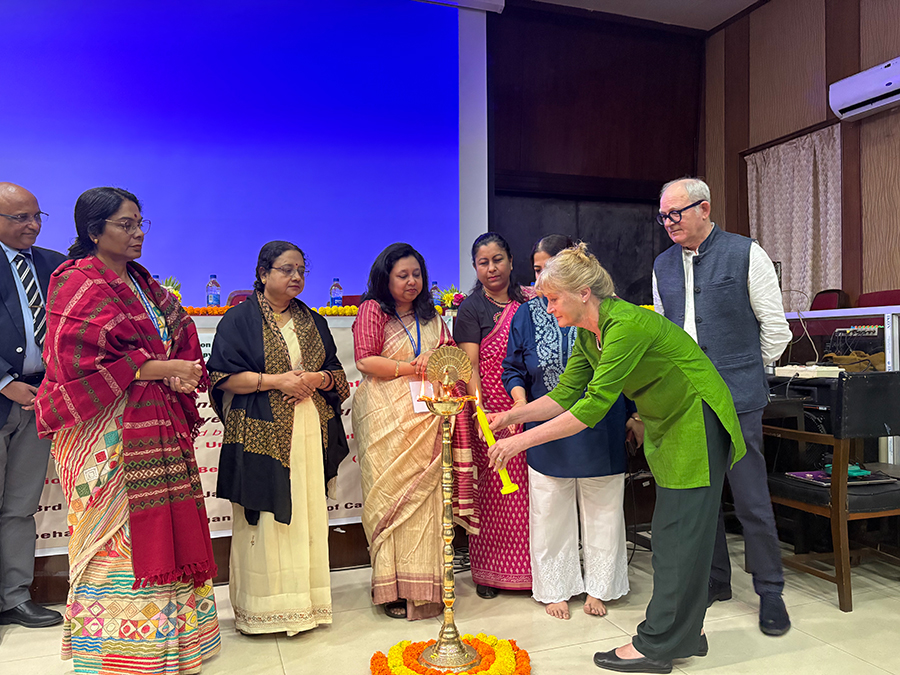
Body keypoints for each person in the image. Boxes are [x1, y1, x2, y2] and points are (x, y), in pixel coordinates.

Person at [486, 244, 746, 674]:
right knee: (678, 537)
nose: (548, 309)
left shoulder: (624, 326)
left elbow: (591, 407)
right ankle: (687, 632)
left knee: (676, 539)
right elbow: (566, 393)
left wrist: (520, 442)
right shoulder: (591, 333)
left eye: (554, 299)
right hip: (672, 424)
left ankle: (657, 645)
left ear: (583, 293)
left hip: (696, 421)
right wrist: (512, 416)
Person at [34, 187, 220, 673]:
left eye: (140, 223)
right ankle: (116, 653)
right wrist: (162, 368)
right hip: (103, 431)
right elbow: (78, 362)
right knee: (116, 539)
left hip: (155, 419)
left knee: (161, 531)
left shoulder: (145, 284)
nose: (138, 233)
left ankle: (173, 647)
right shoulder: (75, 283)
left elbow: (178, 337)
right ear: (94, 231)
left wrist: (176, 370)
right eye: (126, 224)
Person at [652, 177, 792, 636]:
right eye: (664, 215)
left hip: (739, 399)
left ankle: (770, 589)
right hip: (688, 400)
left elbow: (776, 331)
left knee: (751, 497)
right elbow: (666, 333)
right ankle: (716, 580)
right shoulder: (663, 265)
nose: (669, 222)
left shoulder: (745, 252)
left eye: (676, 213)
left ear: (704, 208)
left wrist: (744, 370)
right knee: (702, 497)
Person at [209, 241, 350, 635]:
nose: (296, 277)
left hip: (307, 431)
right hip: (260, 434)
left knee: (306, 511)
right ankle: (262, 611)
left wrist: (317, 378)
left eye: (301, 270)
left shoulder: (314, 321)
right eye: (287, 269)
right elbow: (221, 377)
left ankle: (308, 605)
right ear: (263, 273)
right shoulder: (239, 320)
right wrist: (276, 381)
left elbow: (337, 375)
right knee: (265, 520)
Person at [502, 234, 635, 620]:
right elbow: (521, 371)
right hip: (546, 423)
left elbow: (622, 375)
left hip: (601, 421)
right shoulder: (529, 314)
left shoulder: (608, 313)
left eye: (551, 270)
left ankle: (600, 587)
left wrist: (635, 415)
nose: (543, 281)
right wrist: (517, 410)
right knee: (549, 511)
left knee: (603, 509)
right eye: (537, 270)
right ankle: (556, 588)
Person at [352, 243, 478, 620]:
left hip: (430, 418)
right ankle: (392, 589)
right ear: (385, 278)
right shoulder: (373, 310)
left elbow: (453, 360)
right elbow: (365, 361)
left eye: (416, 274)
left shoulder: (432, 316)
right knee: (390, 501)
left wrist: (440, 364)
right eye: (402, 275)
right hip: (385, 419)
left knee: (428, 504)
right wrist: (413, 366)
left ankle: (427, 589)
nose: (411, 281)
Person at [0, 183, 65, 631]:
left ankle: (14, 597)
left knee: (20, 507)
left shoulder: (54, 265)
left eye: (37, 216)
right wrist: (5, 383)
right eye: (20, 217)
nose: (33, 225)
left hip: (39, 399)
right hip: (6, 394)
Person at [454, 232, 533, 599]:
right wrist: (480, 410)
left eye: (497, 259)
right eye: (483, 263)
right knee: (494, 494)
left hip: (530, 405)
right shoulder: (472, 308)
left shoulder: (531, 301)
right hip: (491, 412)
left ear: (511, 261)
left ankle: (534, 571)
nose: (491, 268)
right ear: (475, 267)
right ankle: (490, 573)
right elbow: (469, 364)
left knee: (532, 493)